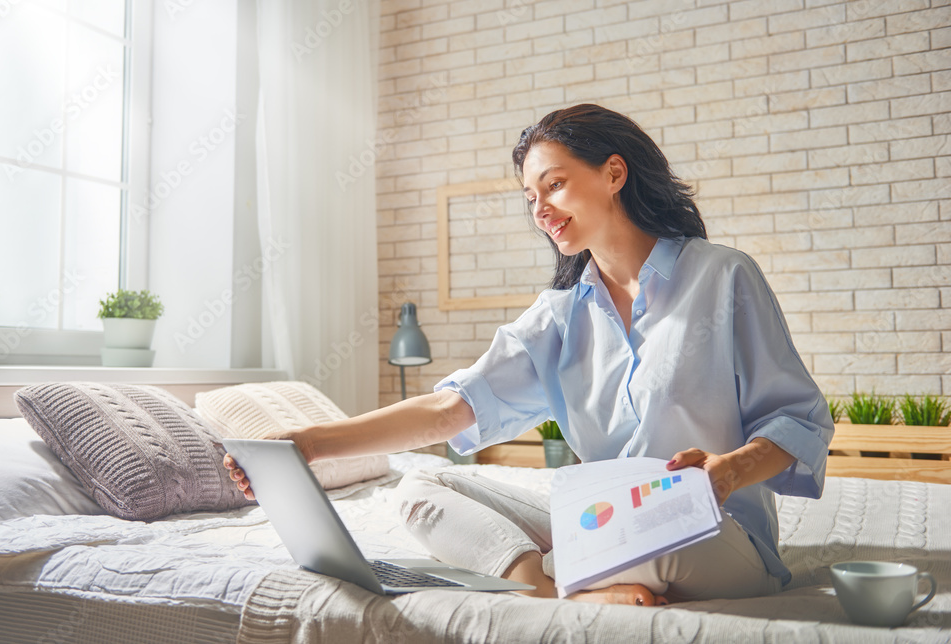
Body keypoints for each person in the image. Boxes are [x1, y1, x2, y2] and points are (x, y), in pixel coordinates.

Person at [224, 104, 834, 607]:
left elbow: (798, 421)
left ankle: (578, 579)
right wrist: (309, 444)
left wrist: (727, 469)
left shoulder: (724, 277)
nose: (539, 208)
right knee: (420, 490)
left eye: (555, 183)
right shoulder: (560, 313)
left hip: (710, 532)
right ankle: (543, 589)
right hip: (607, 524)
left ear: (614, 173)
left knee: (656, 533)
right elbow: (447, 412)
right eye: (529, 196)